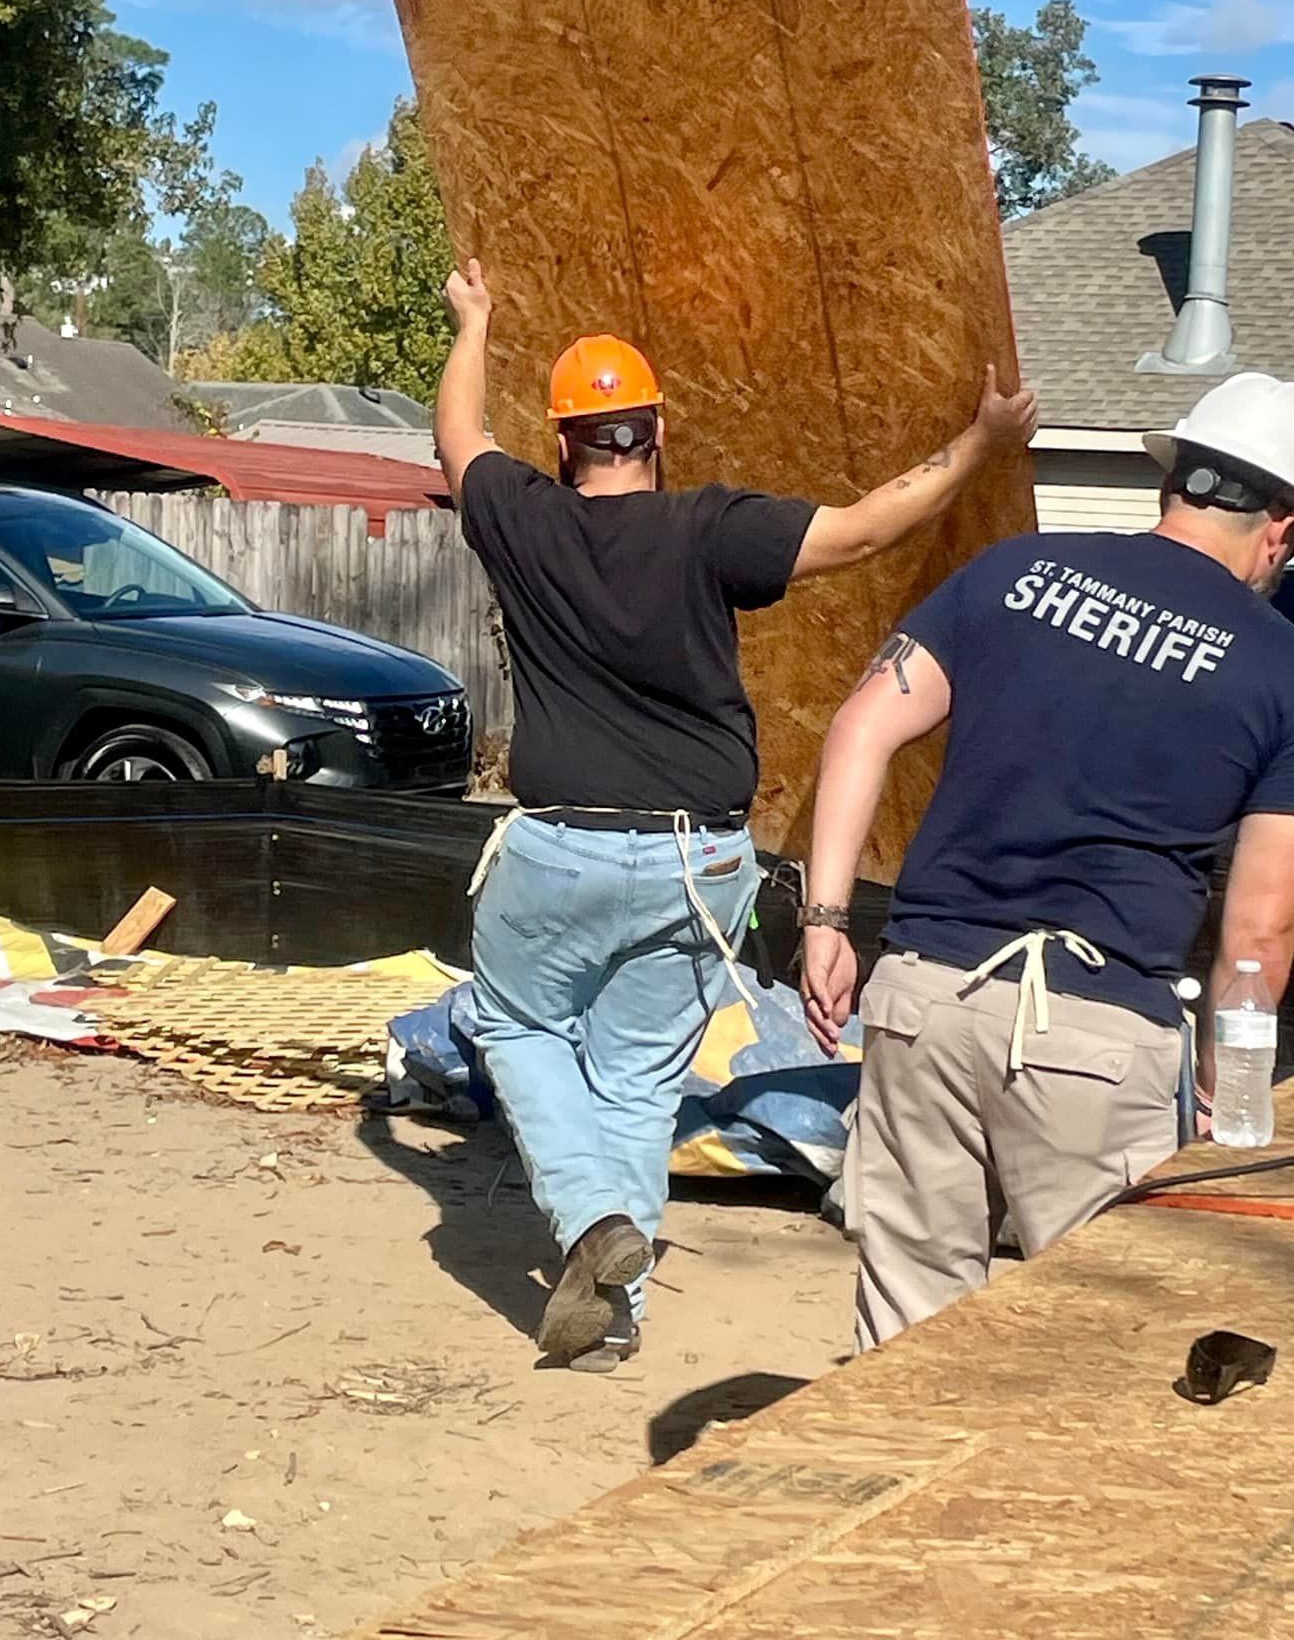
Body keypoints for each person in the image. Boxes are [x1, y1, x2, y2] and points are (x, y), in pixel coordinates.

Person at [433, 256, 1038, 1370]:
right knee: (640, 1079)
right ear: (655, 432)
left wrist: (473, 321)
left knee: (517, 1025)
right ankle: (614, 1313)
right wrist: (982, 444)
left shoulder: (521, 515)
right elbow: (863, 529)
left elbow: (458, 434)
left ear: (565, 443)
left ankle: (588, 1226)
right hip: (699, 859)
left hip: (559, 846)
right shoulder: (710, 528)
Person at [803, 371, 1294, 1352]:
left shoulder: (1013, 571)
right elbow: (1259, 928)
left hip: (919, 1001)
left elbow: (859, 726)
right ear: (1279, 528)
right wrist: (1234, 1101)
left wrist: (825, 921)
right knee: (1110, 1342)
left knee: (906, 1336)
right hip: (1093, 1034)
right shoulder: (1277, 660)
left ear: (1175, 484)